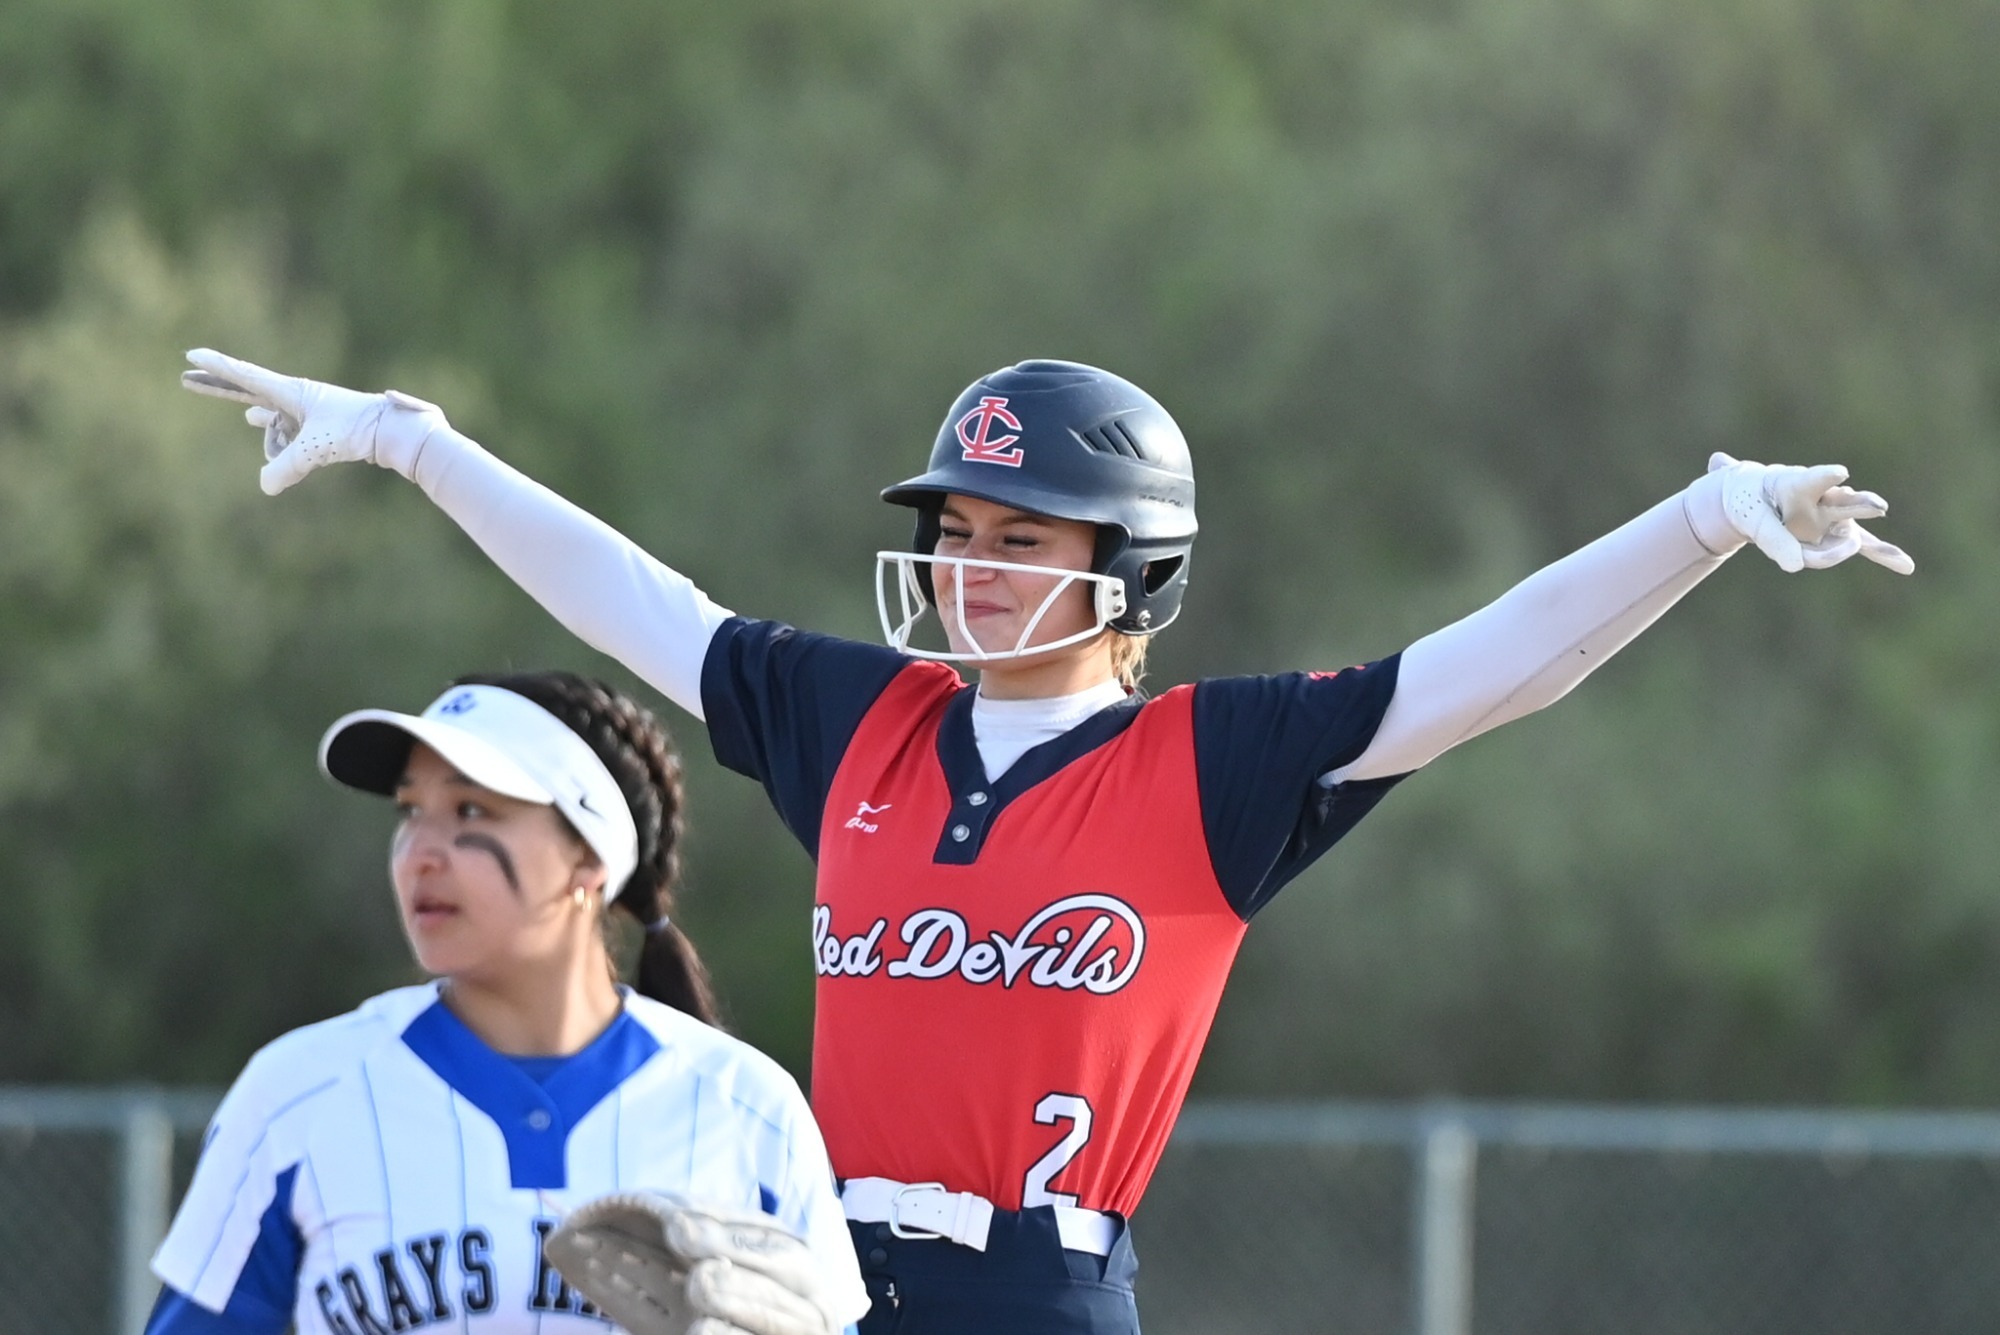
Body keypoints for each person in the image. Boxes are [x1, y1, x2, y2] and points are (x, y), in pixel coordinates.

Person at [180, 351, 1911, 1334]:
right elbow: (640, 604)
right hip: (801, 1286)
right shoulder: (869, 719)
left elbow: (1500, 665)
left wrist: (1701, 521)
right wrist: (419, 446)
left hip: (1040, 1298)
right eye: (958, 529)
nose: (974, 563)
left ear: (1132, 566)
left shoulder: (1212, 761)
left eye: (1023, 532)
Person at [144, 669, 869, 1335]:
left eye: (470, 810)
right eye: (409, 810)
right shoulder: (296, 1096)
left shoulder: (748, 1111)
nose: (421, 851)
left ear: (588, 857)